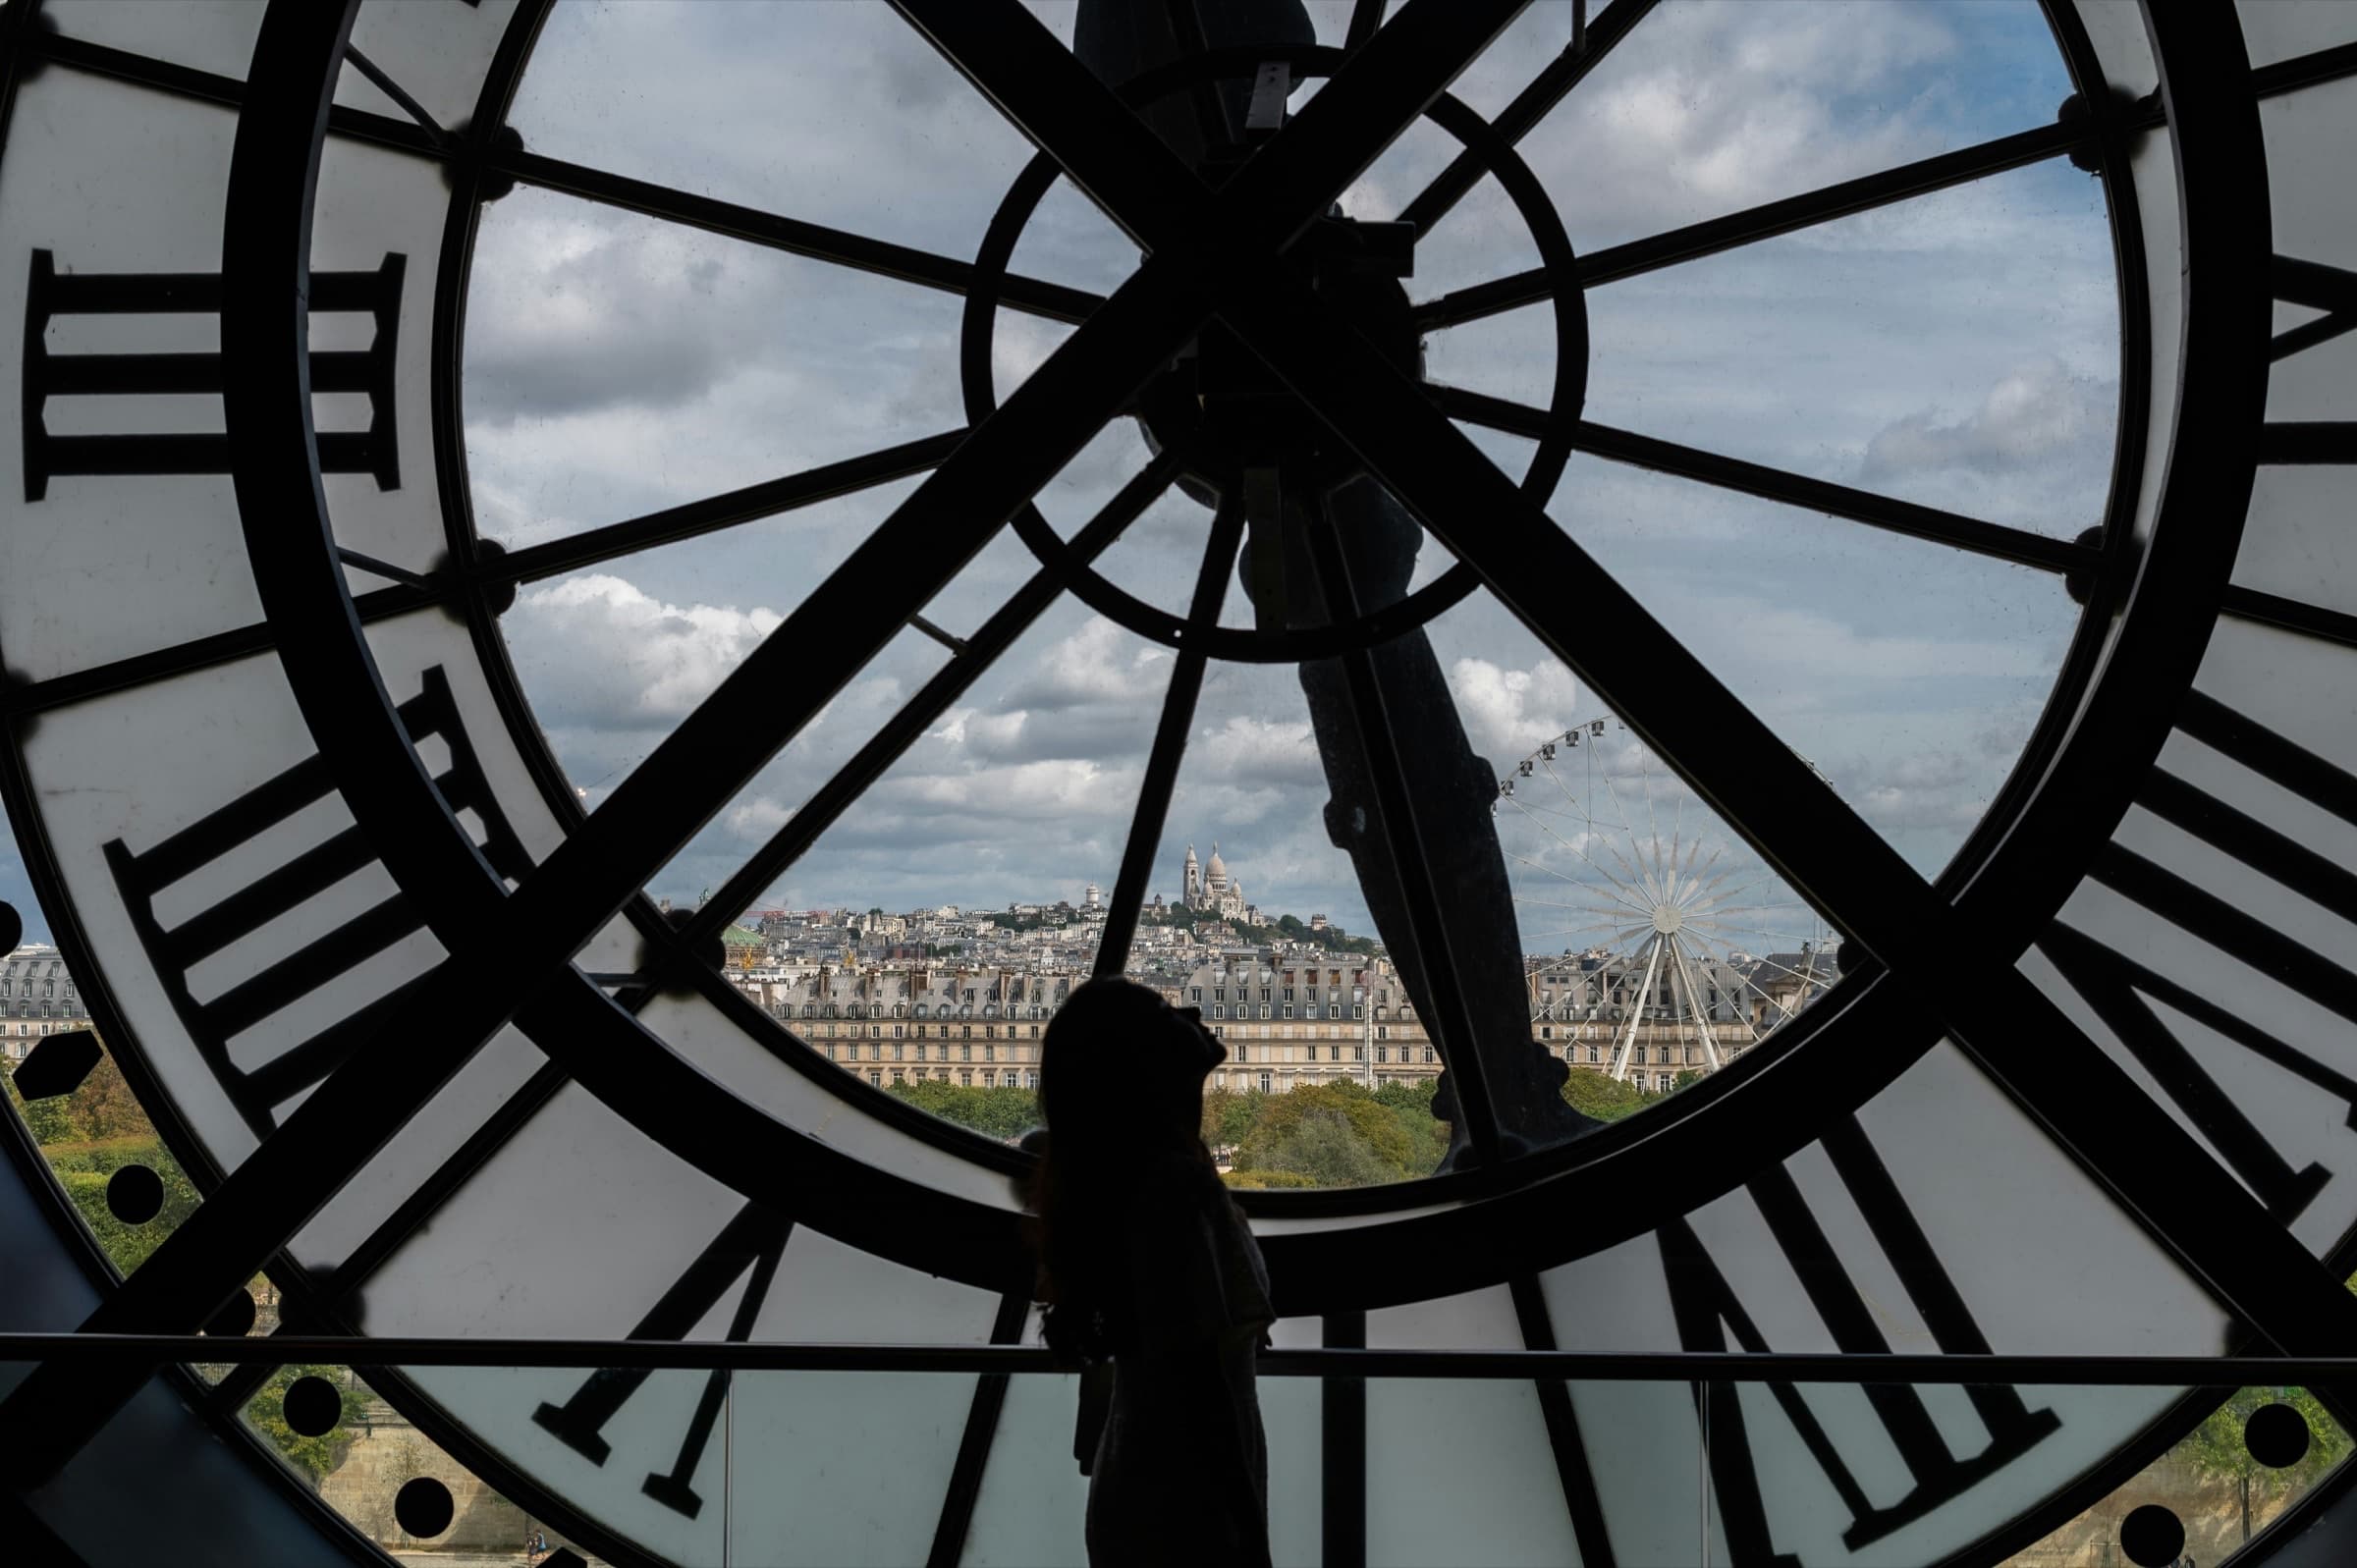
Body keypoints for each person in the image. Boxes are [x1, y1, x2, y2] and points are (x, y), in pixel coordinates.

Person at [1028, 977, 1275, 1567]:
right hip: (1189, 1493)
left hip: (1149, 1480)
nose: (1191, 1009)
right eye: (1165, 1011)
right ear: (1140, 1061)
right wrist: (1245, 1525)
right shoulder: (1175, 1190)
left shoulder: (1136, 1185)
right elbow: (1198, 1381)